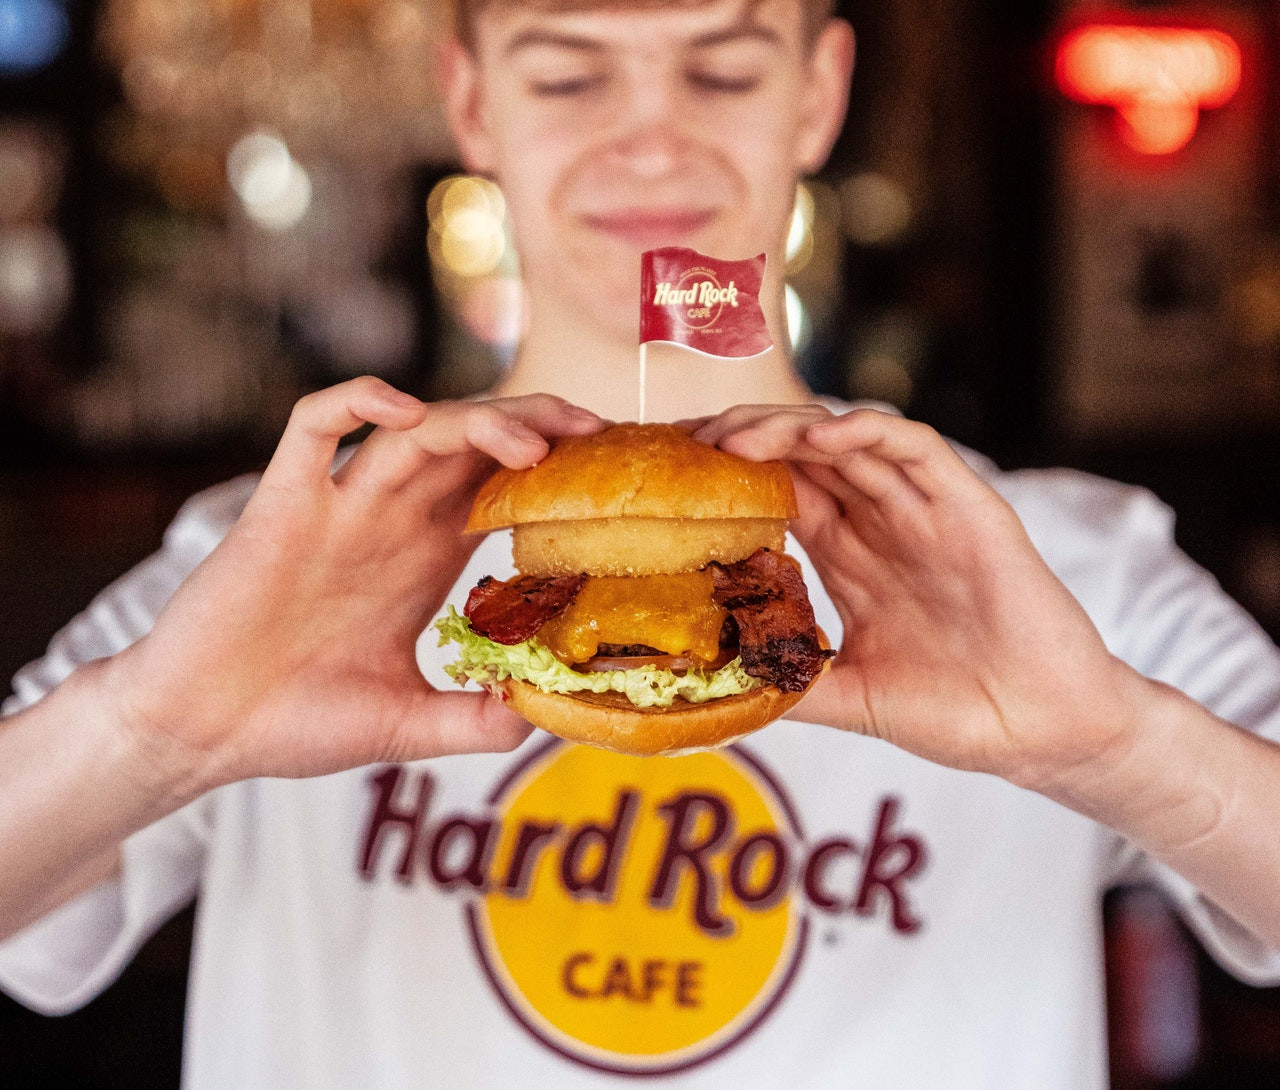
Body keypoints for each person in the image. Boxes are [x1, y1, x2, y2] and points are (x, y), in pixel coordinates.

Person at [2, 0, 1280, 1086]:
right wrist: (148, 739)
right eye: (568, 72)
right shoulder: (264, 567)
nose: (651, 136)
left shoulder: (1066, 561)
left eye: (721, 68)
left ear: (818, 92)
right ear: (472, 100)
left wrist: (1115, 743)